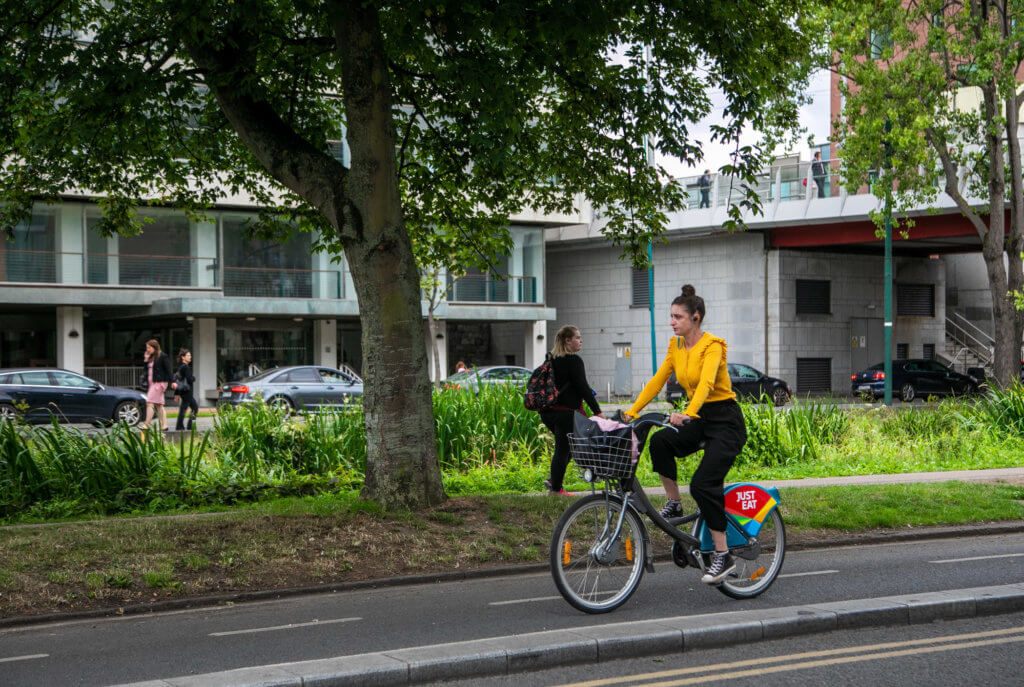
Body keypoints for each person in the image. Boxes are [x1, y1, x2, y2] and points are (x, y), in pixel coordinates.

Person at [624, 285, 747, 585]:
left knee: (704, 485)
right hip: (700, 418)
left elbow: (706, 384)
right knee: (661, 440)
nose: (672, 322)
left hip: (725, 420)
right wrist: (633, 410)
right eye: (671, 316)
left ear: (695, 318)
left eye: (677, 317)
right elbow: (657, 381)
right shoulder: (676, 347)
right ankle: (674, 503)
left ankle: (723, 554)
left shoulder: (713, 345)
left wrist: (689, 413)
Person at [539, 325, 603, 495]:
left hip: (548, 412)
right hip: (565, 413)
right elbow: (583, 387)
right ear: (567, 341)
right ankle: (556, 489)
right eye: (577, 338)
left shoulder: (550, 359)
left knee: (569, 446)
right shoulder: (574, 361)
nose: (580, 341)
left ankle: (554, 479)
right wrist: (597, 411)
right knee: (563, 448)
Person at [141, 339, 173, 431]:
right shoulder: (150, 357)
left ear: (154, 347)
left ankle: (147, 424)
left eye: (149, 347)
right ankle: (164, 425)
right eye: (146, 348)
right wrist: (146, 360)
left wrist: (173, 381)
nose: (147, 349)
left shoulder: (162, 356)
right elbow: (146, 370)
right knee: (159, 405)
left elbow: (168, 369)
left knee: (149, 402)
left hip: (159, 383)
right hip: (152, 383)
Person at [173, 348, 198, 431]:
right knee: (194, 408)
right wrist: (193, 378)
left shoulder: (181, 367)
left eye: (190, 355)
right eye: (188, 355)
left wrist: (176, 394)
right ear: (183, 357)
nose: (190, 357)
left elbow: (178, 381)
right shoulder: (185, 367)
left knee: (186, 408)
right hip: (187, 392)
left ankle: (182, 426)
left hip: (183, 392)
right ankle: (187, 426)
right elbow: (190, 379)